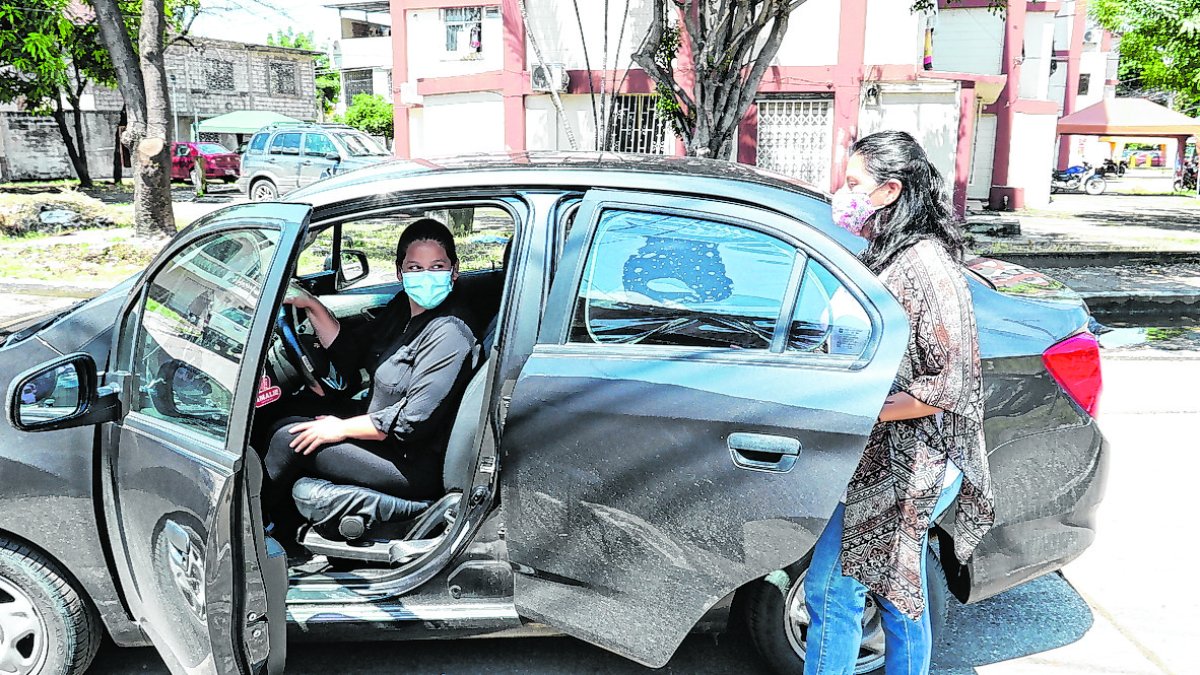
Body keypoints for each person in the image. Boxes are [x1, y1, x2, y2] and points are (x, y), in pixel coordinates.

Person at [805, 131, 995, 675]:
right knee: (896, 589)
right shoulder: (891, 254)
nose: (843, 193)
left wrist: (863, 410)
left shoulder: (924, 267)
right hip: (885, 459)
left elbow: (949, 384)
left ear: (889, 191)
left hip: (911, 465)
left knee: (832, 591)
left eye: (854, 183)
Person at [262, 218, 478, 526]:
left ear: (454, 272)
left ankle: (257, 529)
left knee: (288, 439)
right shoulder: (404, 307)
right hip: (384, 437)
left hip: (412, 463)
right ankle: (280, 517)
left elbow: (411, 423)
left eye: (437, 267)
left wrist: (341, 428)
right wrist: (311, 305)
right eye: (415, 268)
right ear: (400, 272)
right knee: (290, 410)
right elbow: (354, 350)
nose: (426, 277)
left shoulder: (450, 332)